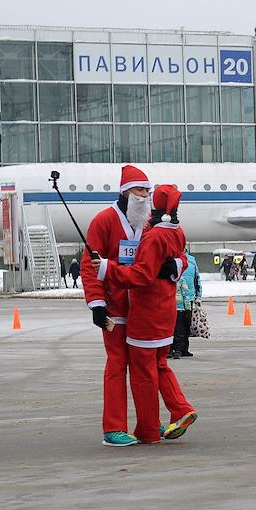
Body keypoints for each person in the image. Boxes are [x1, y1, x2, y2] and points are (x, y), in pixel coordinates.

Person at [80, 165, 185, 447]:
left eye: (148, 191)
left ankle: (149, 423)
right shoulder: (104, 221)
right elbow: (89, 265)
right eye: (139, 190)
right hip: (116, 308)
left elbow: (180, 254)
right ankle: (113, 427)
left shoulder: (151, 223)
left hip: (145, 311)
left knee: (145, 371)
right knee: (117, 364)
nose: (144, 195)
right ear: (125, 192)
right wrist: (97, 303)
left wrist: (174, 266)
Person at [171, 250, 200, 360]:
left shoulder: (191, 260)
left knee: (185, 325)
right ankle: (176, 349)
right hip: (178, 300)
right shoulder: (173, 259)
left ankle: (182, 349)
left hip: (187, 298)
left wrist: (198, 295)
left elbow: (197, 279)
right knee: (178, 326)